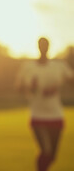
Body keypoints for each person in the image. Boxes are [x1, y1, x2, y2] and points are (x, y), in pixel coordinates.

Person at [16, 37, 74, 171]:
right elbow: (18, 87)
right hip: (37, 116)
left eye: (45, 45)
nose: (43, 47)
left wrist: (59, 86)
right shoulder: (28, 67)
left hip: (56, 115)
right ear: (38, 47)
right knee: (46, 151)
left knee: (52, 156)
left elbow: (71, 80)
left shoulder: (59, 66)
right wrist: (30, 87)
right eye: (41, 45)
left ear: (48, 47)